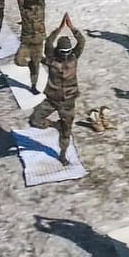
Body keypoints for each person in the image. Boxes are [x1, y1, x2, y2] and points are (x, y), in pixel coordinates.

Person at [28, 13, 85, 166]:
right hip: (51, 100)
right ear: (58, 50)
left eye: (67, 52)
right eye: (63, 52)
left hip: (68, 102)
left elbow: (81, 41)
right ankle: (55, 125)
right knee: (34, 120)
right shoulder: (52, 58)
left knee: (67, 132)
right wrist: (60, 28)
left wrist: (71, 27)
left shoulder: (73, 57)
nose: (66, 55)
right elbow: (49, 42)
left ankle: (63, 155)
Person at [15, 0, 45, 94]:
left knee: (32, 64)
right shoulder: (39, 8)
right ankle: (32, 67)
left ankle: (33, 85)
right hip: (30, 41)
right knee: (21, 61)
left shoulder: (27, 10)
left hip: (34, 42)